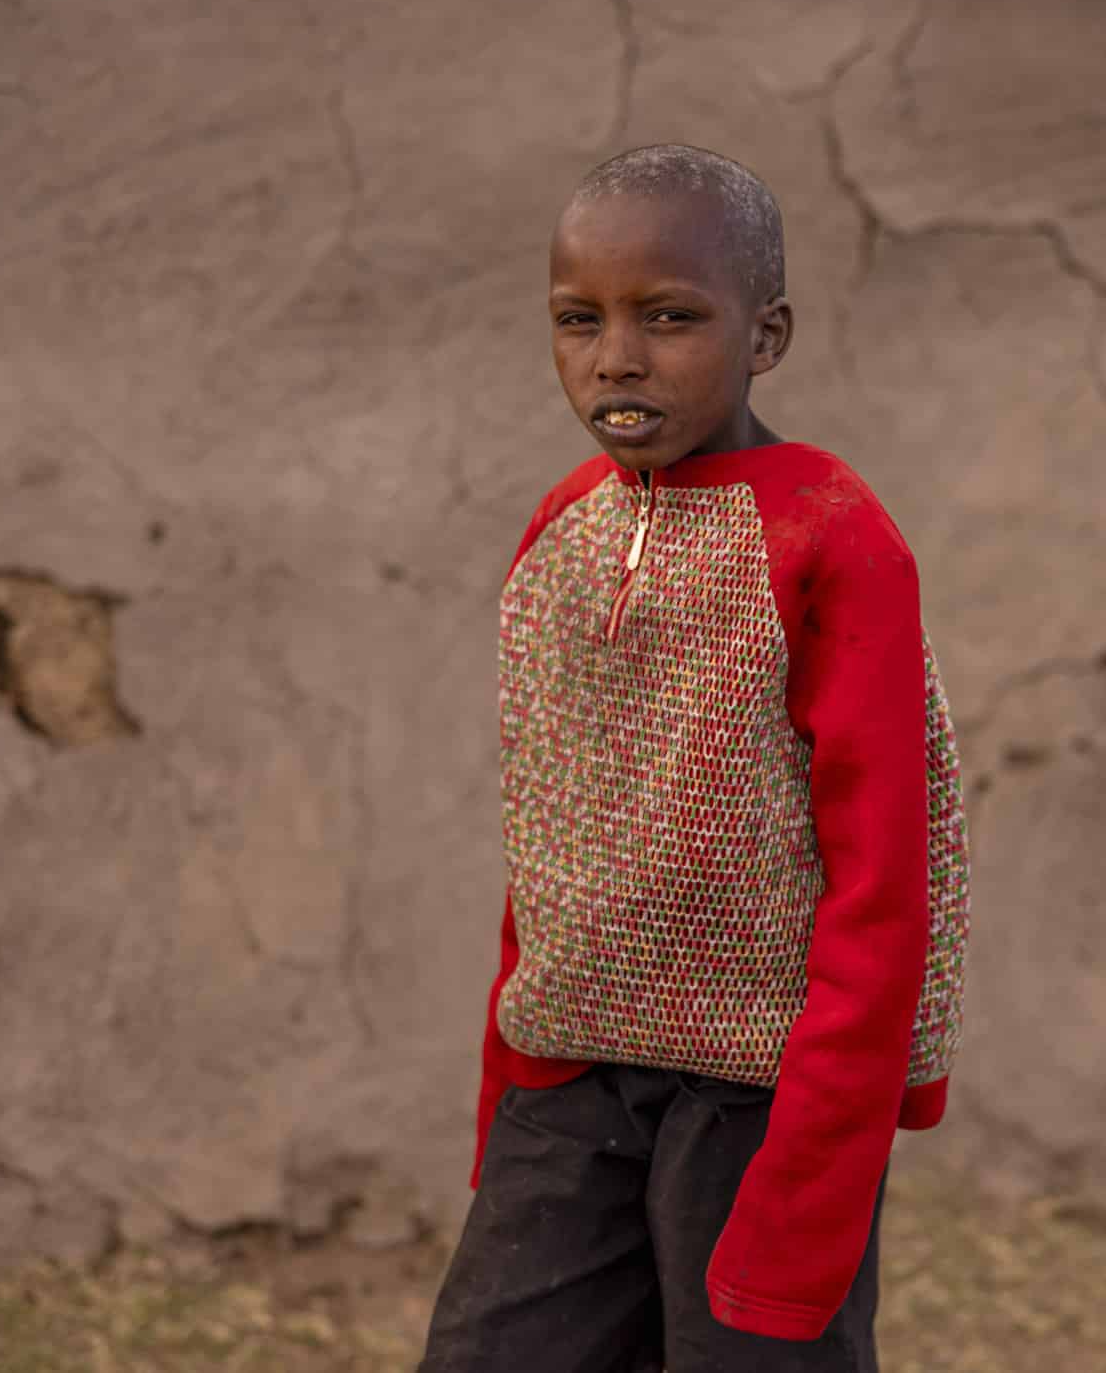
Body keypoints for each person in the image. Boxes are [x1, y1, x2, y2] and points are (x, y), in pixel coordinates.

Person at [415, 143, 970, 1373]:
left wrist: (823, 1154)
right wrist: (510, 1107)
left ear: (765, 334)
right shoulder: (563, 530)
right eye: (579, 319)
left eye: (668, 318)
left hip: (763, 1101)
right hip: (570, 1086)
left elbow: (889, 885)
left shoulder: (833, 539)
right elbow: (550, 843)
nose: (617, 357)